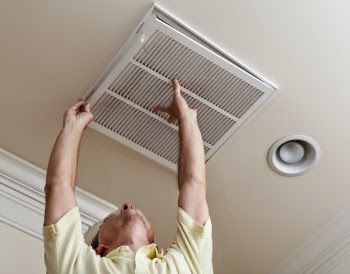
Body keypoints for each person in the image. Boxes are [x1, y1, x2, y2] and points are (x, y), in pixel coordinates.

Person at [43, 79, 213, 274]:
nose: (127, 206)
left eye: (112, 214)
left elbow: (57, 187)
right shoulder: (187, 266)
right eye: (111, 217)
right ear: (101, 249)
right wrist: (186, 119)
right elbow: (195, 185)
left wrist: (72, 128)